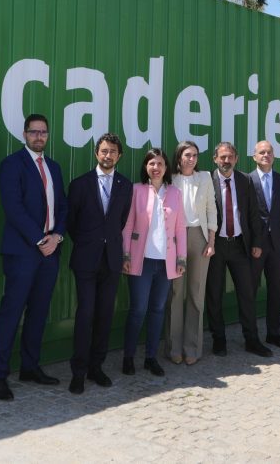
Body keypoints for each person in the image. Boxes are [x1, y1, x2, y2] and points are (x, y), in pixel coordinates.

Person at [0, 114, 68, 400]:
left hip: (49, 251)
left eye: (43, 132)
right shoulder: (12, 165)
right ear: (24, 134)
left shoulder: (54, 168)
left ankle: (30, 367)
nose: (39, 137)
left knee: (38, 311)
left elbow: (62, 205)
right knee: (11, 312)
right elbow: (14, 208)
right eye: (33, 132)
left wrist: (56, 237)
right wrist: (39, 239)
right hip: (23, 251)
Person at [65, 133, 133, 394]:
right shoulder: (80, 184)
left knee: (105, 315)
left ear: (119, 155)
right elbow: (72, 222)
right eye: (104, 151)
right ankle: (78, 371)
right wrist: (88, 243)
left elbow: (121, 220)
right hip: (86, 259)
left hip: (112, 261)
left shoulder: (125, 186)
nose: (108, 155)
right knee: (85, 315)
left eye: (113, 151)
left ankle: (96, 366)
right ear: (96, 153)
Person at [121, 148, 187, 376]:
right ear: (146, 167)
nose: (156, 168)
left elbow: (180, 228)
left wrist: (181, 258)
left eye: (160, 163)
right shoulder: (136, 190)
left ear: (166, 167)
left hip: (165, 262)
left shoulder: (175, 193)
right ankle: (128, 357)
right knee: (138, 310)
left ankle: (150, 357)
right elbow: (128, 225)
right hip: (142, 261)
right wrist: (126, 255)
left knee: (158, 309)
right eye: (151, 164)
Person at [205, 142, 273, 358]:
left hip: (240, 246)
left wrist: (257, 243)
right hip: (215, 246)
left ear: (236, 158)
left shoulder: (245, 180)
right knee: (214, 294)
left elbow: (254, 214)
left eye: (230, 157)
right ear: (215, 158)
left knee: (247, 293)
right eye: (222, 157)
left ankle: (251, 339)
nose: (226, 161)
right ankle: (219, 340)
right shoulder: (207, 180)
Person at [166, 141, 218, 366]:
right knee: (176, 294)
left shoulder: (204, 177)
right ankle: (174, 347)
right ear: (179, 156)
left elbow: (211, 209)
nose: (192, 159)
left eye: (195, 155)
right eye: (187, 155)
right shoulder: (170, 179)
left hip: (199, 236)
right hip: (175, 237)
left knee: (196, 294)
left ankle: (192, 348)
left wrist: (211, 241)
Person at [248, 140, 280, 348]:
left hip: (277, 245)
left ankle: (273, 333)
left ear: (274, 156)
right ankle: (251, 336)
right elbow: (245, 217)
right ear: (254, 157)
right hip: (256, 246)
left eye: (269, 152)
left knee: (276, 289)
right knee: (250, 290)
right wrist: (252, 242)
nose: (265, 155)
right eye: (261, 152)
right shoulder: (246, 180)